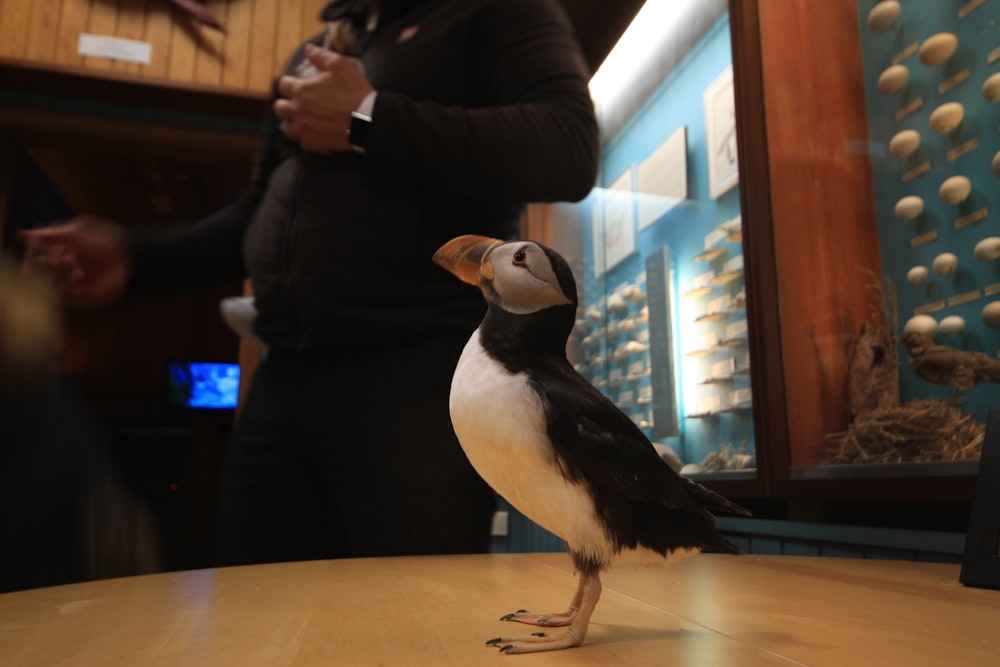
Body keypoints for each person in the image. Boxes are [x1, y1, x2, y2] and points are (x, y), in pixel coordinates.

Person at [19, 0, 599, 566]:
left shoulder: (492, 10)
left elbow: (566, 146)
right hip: (285, 378)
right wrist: (135, 258)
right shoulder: (313, 50)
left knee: (407, 624)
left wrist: (368, 116)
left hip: (414, 381)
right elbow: (256, 214)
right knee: (253, 612)